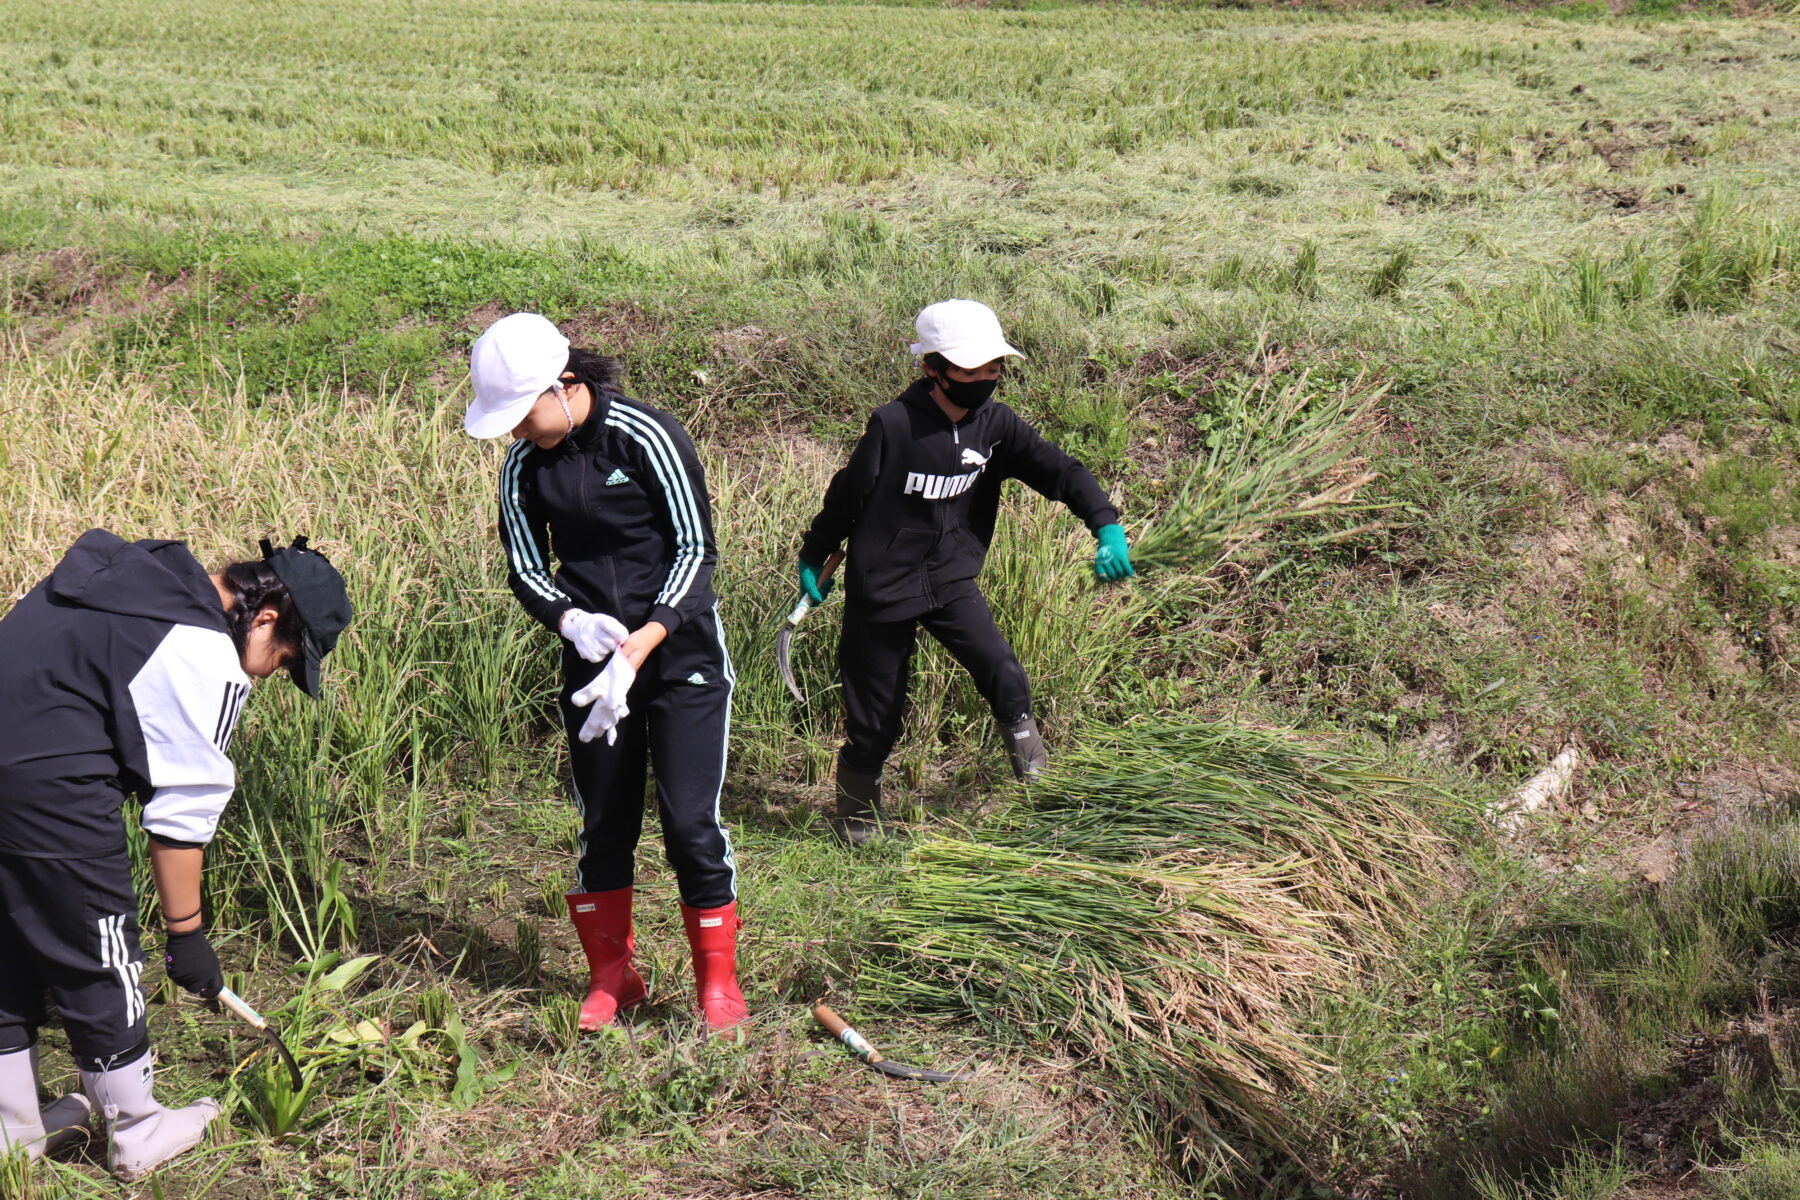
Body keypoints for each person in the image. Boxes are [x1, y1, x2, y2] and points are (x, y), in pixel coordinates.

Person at [0, 531, 351, 1179]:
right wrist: (186, 935)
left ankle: (14, 1129)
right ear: (265, 619)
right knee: (100, 949)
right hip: (44, 787)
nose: (270, 674)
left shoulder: (129, 581)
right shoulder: (202, 647)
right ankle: (136, 1130)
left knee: (10, 947)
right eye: (284, 658)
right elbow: (181, 815)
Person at [463, 313, 746, 1036]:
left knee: (689, 822)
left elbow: (695, 551)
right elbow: (526, 568)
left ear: (564, 386)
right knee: (603, 821)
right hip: (594, 669)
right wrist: (573, 622)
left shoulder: (646, 436)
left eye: (522, 415)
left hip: (680, 654)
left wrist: (646, 639)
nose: (518, 433)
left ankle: (718, 984)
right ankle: (612, 974)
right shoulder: (523, 467)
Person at [797, 299, 1134, 843]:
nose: (984, 378)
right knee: (876, 716)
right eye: (969, 369)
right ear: (932, 367)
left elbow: (1061, 471)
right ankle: (857, 822)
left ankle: (1038, 787)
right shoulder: (894, 425)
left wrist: (1105, 525)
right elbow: (847, 494)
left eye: (993, 368)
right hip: (881, 587)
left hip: (951, 579)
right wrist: (815, 553)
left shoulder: (996, 425)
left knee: (1003, 671)